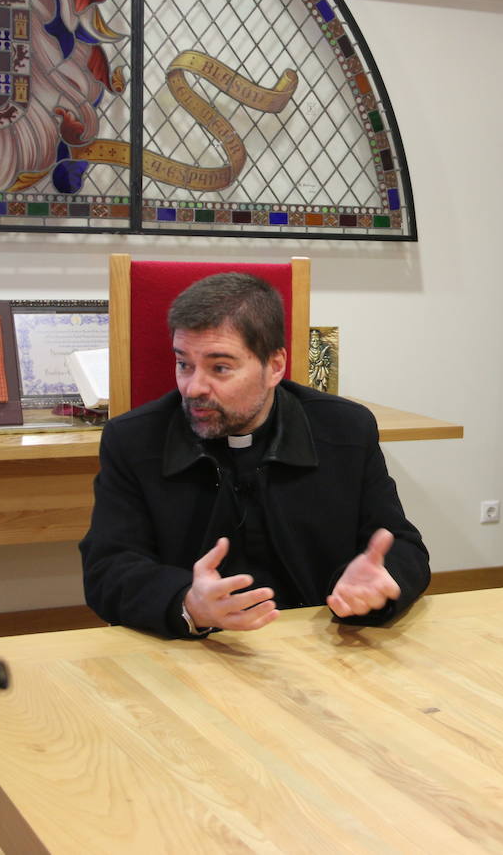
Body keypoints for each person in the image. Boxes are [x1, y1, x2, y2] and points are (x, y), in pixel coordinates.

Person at [80, 272, 430, 638]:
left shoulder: (345, 429)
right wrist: (187, 603)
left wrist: (379, 583)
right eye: (184, 363)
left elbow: (402, 546)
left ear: (274, 366)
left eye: (220, 367)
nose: (194, 387)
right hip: (193, 649)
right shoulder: (133, 439)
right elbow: (108, 568)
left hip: (320, 643)